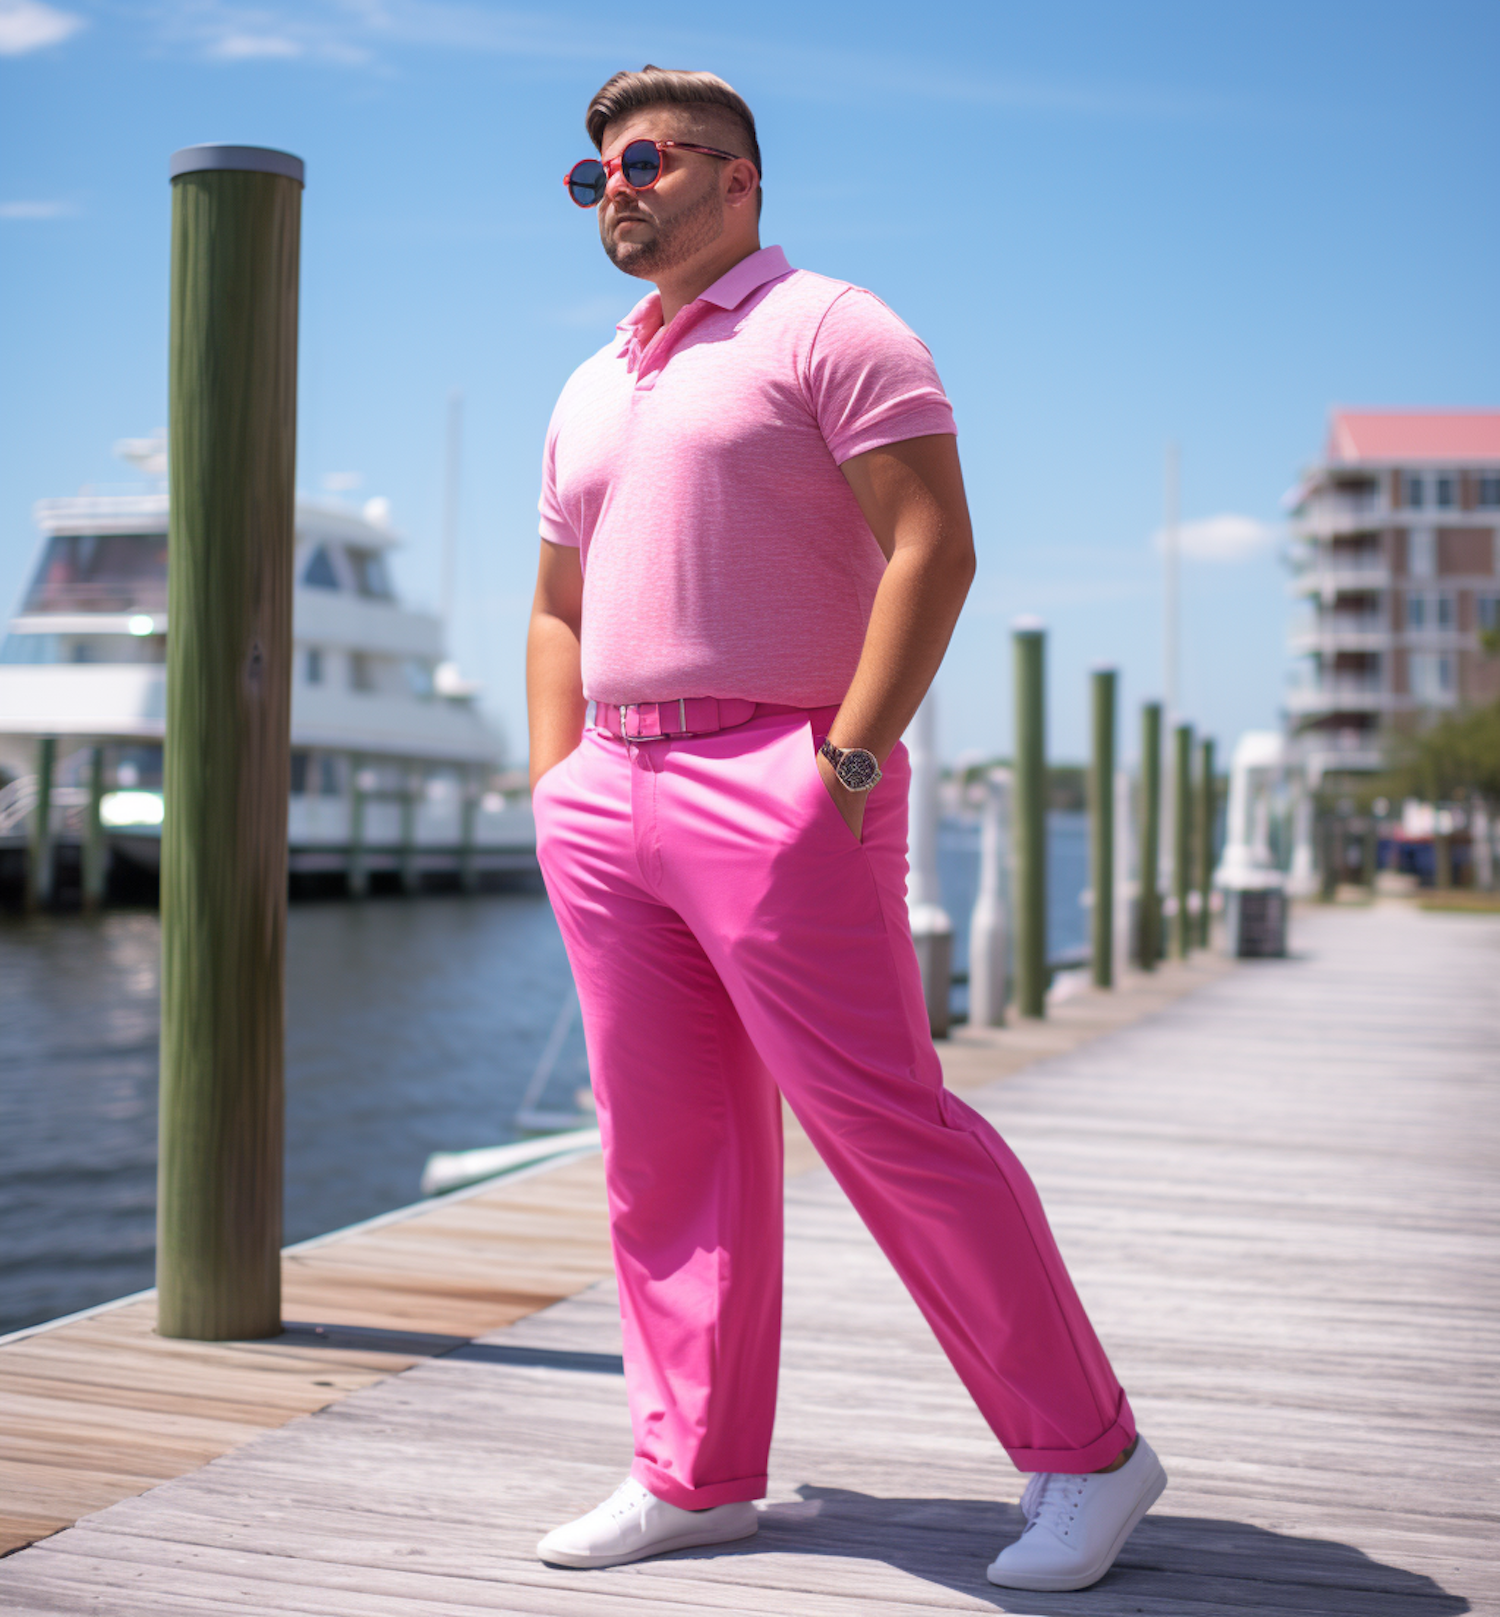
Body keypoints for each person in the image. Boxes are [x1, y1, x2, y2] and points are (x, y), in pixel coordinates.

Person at [525, 64, 1166, 1595]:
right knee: (663, 1153)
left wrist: (855, 762)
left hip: (783, 775)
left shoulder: (832, 327)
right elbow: (556, 606)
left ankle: (1090, 1454)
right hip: (611, 793)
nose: (617, 186)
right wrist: (555, 783)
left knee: (890, 1127)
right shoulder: (593, 381)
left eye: (648, 160)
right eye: (593, 172)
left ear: (738, 178)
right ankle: (693, 1473)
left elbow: (933, 543)